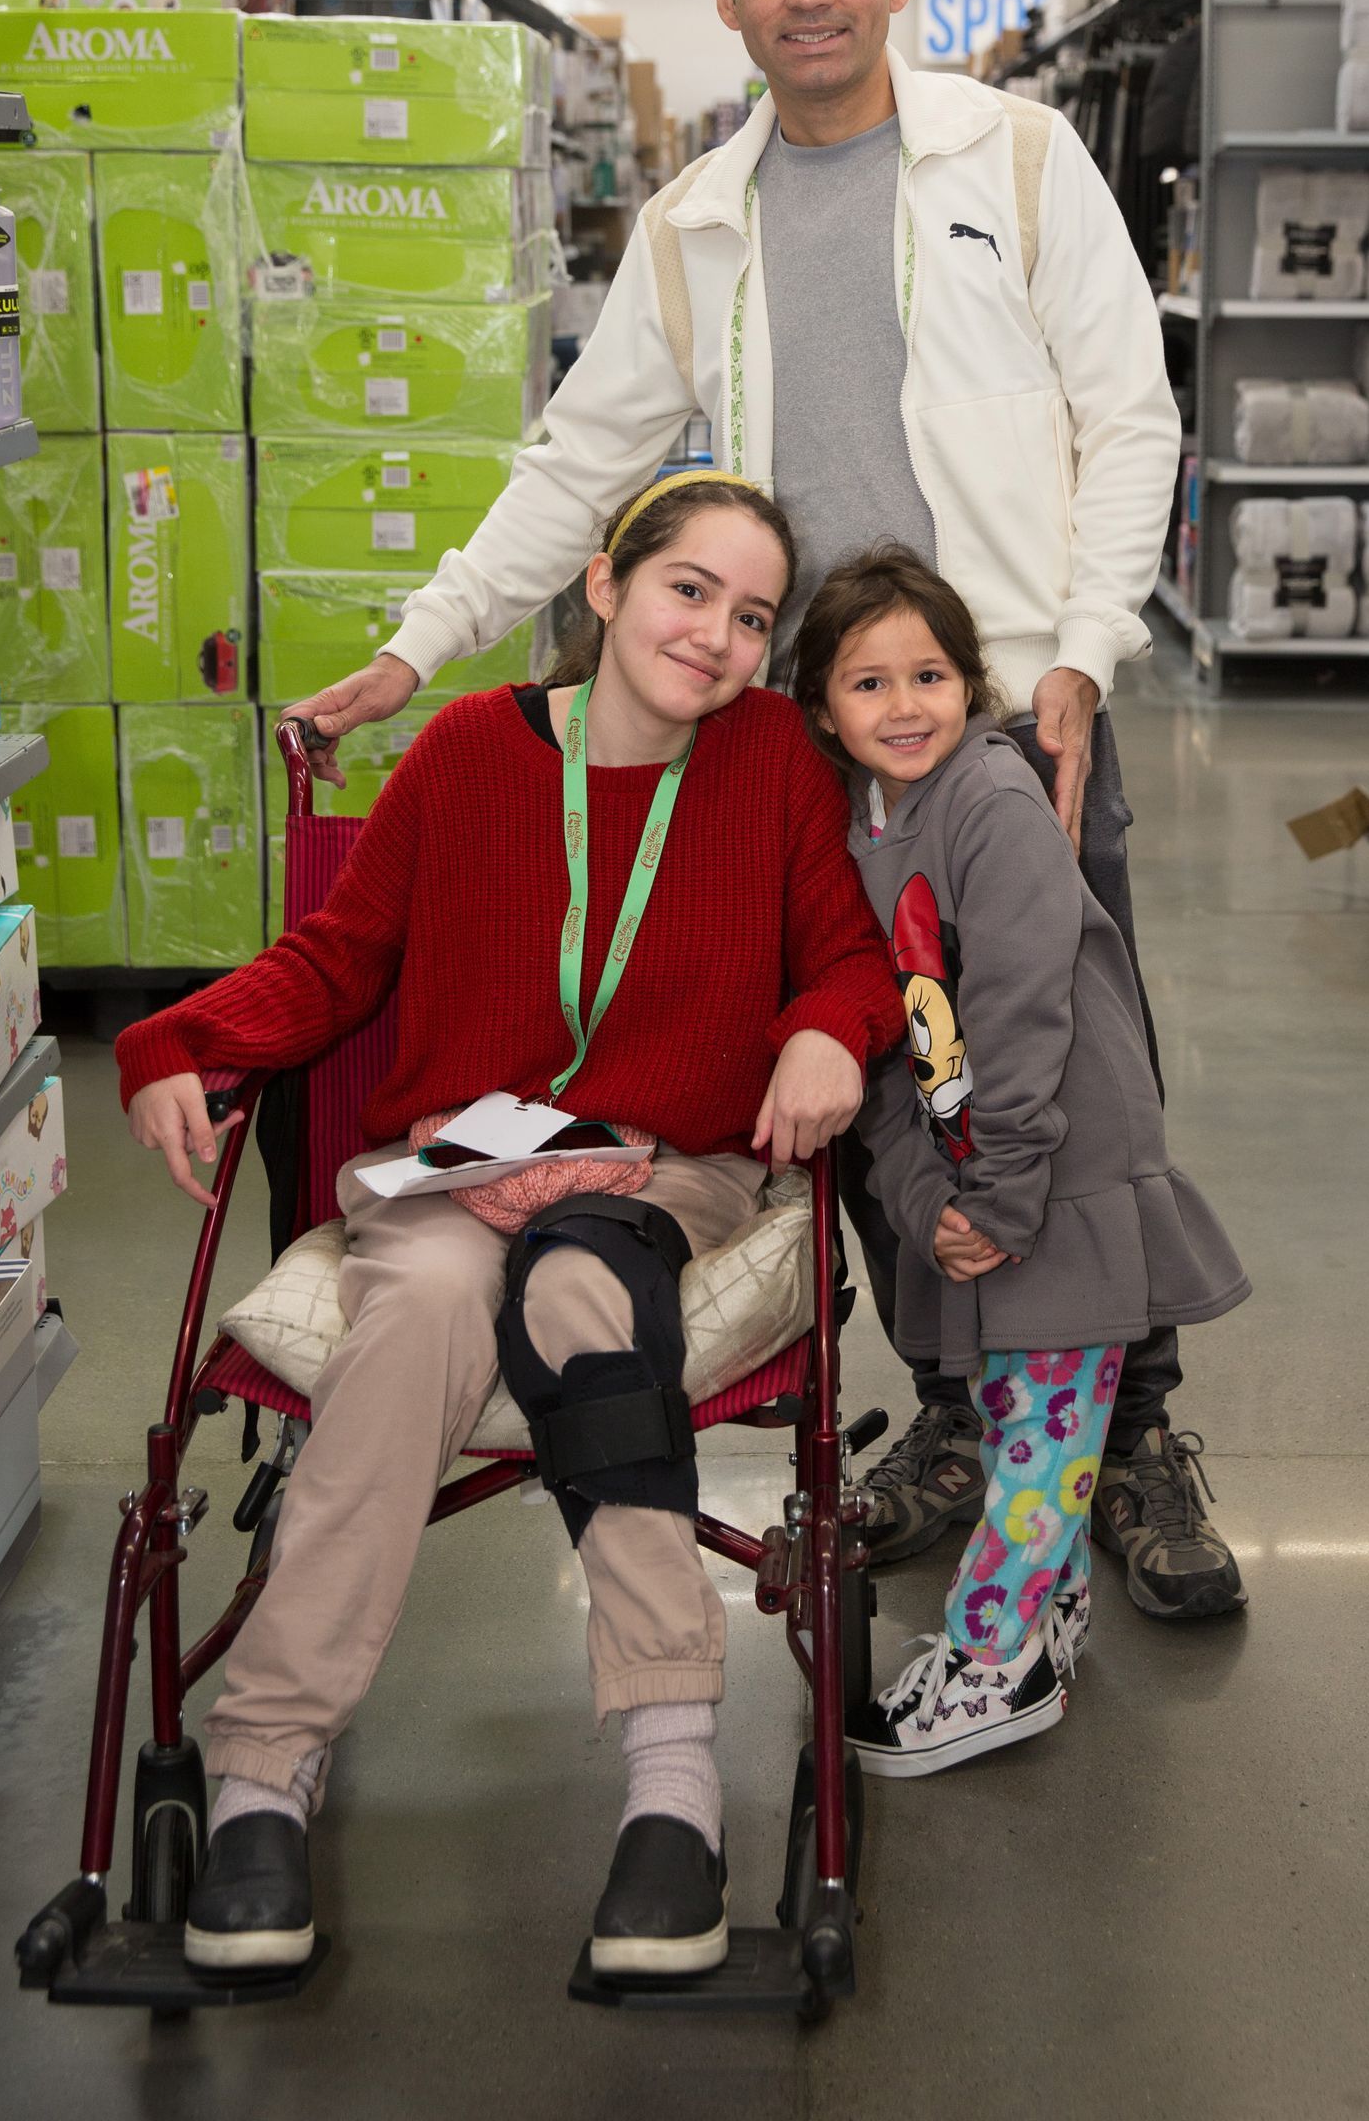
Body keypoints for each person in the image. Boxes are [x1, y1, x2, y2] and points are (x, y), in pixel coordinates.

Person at [282, 0, 1245, 1626]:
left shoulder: (1017, 164)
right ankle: (962, 1415)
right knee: (880, 1081)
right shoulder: (695, 222)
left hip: (1009, 718)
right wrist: (425, 648)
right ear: (729, 0)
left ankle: (1139, 1431)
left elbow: (1131, 418)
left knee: (1073, 1076)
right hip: (811, 745)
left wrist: (1087, 655)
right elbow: (579, 467)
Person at [116, 477, 903, 1981]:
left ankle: (673, 1781)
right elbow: (341, 957)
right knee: (412, 1310)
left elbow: (853, 963)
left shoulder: (775, 768)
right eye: (690, 592)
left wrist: (822, 1029)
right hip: (459, 1168)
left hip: (664, 1170)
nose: (719, 638)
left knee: (580, 1296)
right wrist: (174, 1038)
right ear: (603, 587)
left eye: (752, 618)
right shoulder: (474, 754)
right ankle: (267, 1767)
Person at [791, 548, 1249, 1774]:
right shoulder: (864, 823)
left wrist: (994, 1191)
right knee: (1015, 1415)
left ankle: (995, 1662)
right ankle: (1049, 1621)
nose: (903, 706)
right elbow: (893, 1045)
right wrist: (928, 1192)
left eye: (929, 674)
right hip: (983, 1182)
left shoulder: (991, 800)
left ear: (972, 678)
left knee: (1041, 1441)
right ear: (822, 708)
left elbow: (1023, 1013)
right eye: (867, 683)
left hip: (1062, 1174)